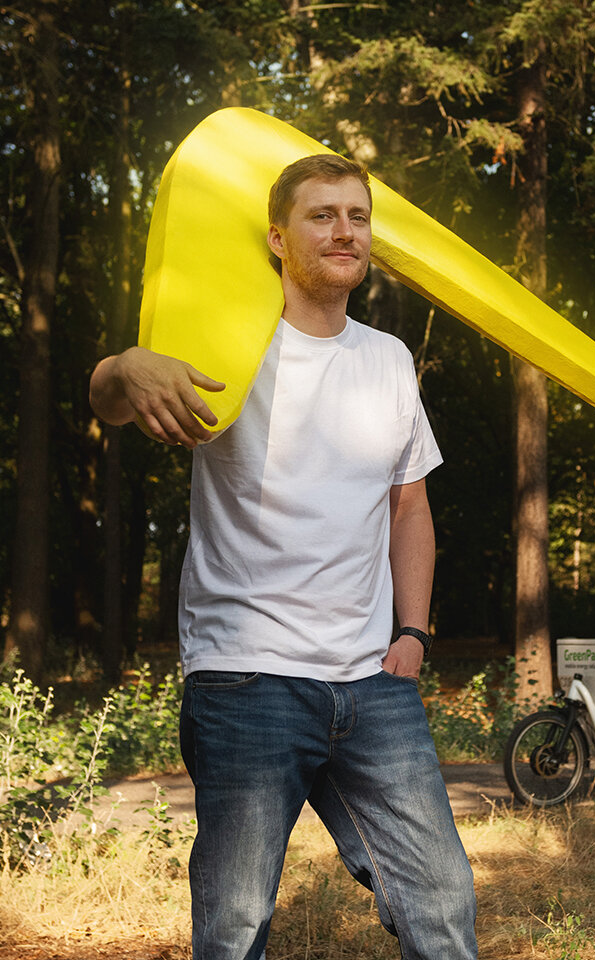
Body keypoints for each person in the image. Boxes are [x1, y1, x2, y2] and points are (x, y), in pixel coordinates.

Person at [89, 155, 478, 960]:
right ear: (276, 237)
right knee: (234, 927)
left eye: (358, 216)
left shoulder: (389, 358)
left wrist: (415, 632)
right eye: (322, 214)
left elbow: (409, 505)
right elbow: (111, 398)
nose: (345, 230)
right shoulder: (228, 346)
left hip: (374, 683)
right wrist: (126, 364)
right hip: (247, 678)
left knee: (442, 902)